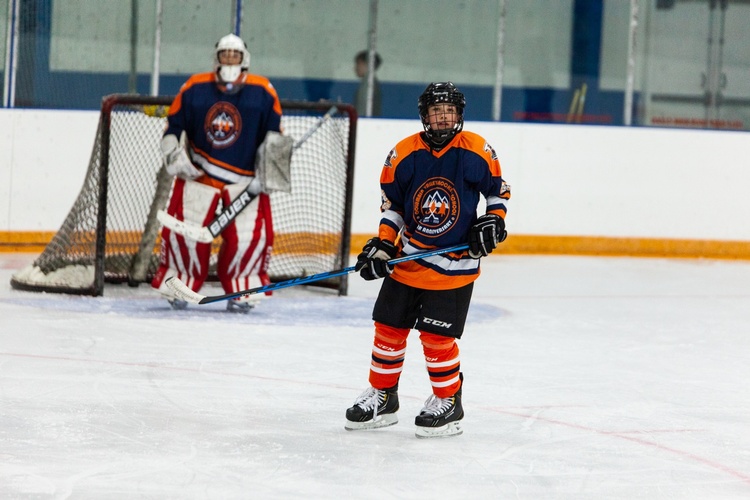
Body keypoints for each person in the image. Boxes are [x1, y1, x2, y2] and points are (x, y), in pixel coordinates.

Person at [345, 82, 511, 438]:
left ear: (459, 116)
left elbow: (498, 192)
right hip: (408, 260)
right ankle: (384, 397)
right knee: (388, 329)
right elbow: (394, 208)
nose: (444, 119)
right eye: (437, 112)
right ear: (425, 117)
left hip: (456, 263)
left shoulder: (477, 151)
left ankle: (448, 401)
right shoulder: (404, 155)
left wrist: (494, 220)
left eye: (450, 112)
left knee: (436, 338)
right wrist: (385, 246)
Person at [151, 33, 283, 313]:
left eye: (235, 55)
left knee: (249, 236)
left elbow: (275, 136)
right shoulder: (195, 86)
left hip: (245, 179)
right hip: (200, 175)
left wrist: (269, 172)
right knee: (184, 234)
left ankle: (243, 286)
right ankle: (180, 282)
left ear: (244, 59)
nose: (230, 60)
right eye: (225, 55)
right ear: (217, 58)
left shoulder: (263, 90)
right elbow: (173, 127)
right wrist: (173, 153)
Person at [353, 50, 382, 117]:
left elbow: (362, 110)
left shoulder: (368, 85)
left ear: (366, 64)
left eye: (358, 63)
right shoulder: (370, 83)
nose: (355, 68)